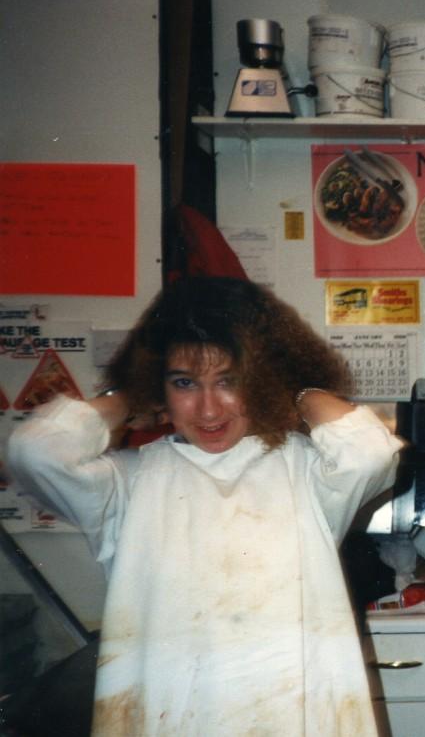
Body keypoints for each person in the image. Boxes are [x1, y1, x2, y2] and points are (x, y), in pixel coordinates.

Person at [7, 277, 403, 736]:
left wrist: (297, 389)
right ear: (160, 387)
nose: (209, 409)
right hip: (172, 718)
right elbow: (34, 452)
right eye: (185, 383)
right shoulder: (128, 482)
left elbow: (371, 452)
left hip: (292, 716)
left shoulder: (306, 473)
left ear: (260, 382)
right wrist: (130, 396)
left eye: (228, 382)